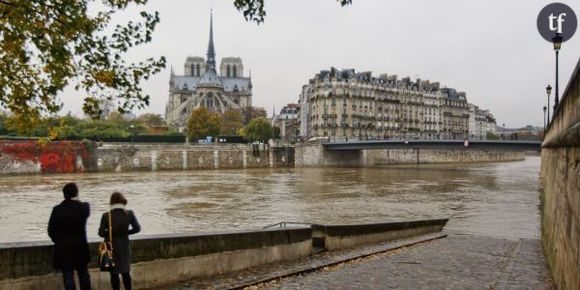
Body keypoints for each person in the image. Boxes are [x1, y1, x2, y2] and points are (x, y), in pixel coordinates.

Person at [48, 183, 91, 290]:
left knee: (68, 275)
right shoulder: (84, 207)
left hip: (64, 248)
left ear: (64, 194)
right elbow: (82, 207)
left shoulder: (57, 210)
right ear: (76, 193)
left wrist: (57, 240)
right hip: (80, 247)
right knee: (83, 273)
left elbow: (51, 230)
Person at [99, 192, 141, 290]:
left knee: (114, 274)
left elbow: (101, 233)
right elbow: (137, 228)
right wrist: (126, 232)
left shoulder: (106, 215)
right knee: (126, 272)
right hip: (124, 246)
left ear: (111, 202)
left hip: (111, 247)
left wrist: (111, 233)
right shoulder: (129, 213)